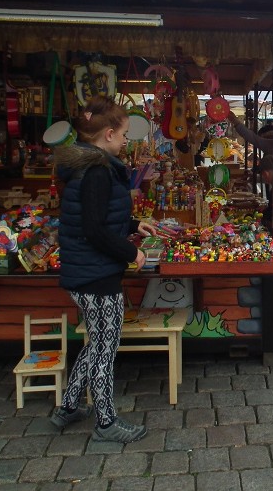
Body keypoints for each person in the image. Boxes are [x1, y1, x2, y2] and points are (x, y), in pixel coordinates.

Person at [52, 96, 155, 443]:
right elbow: (95, 229)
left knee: (97, 342)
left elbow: (96, 217)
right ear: (109, 134)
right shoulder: (97, 170)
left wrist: (133, 223)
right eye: (125, 134)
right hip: (95, 273)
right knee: (106, 346)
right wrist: (131, 253)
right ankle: (106, 422)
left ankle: (67, 407)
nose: (127, 141)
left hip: (87, 270)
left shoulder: (90, 165)